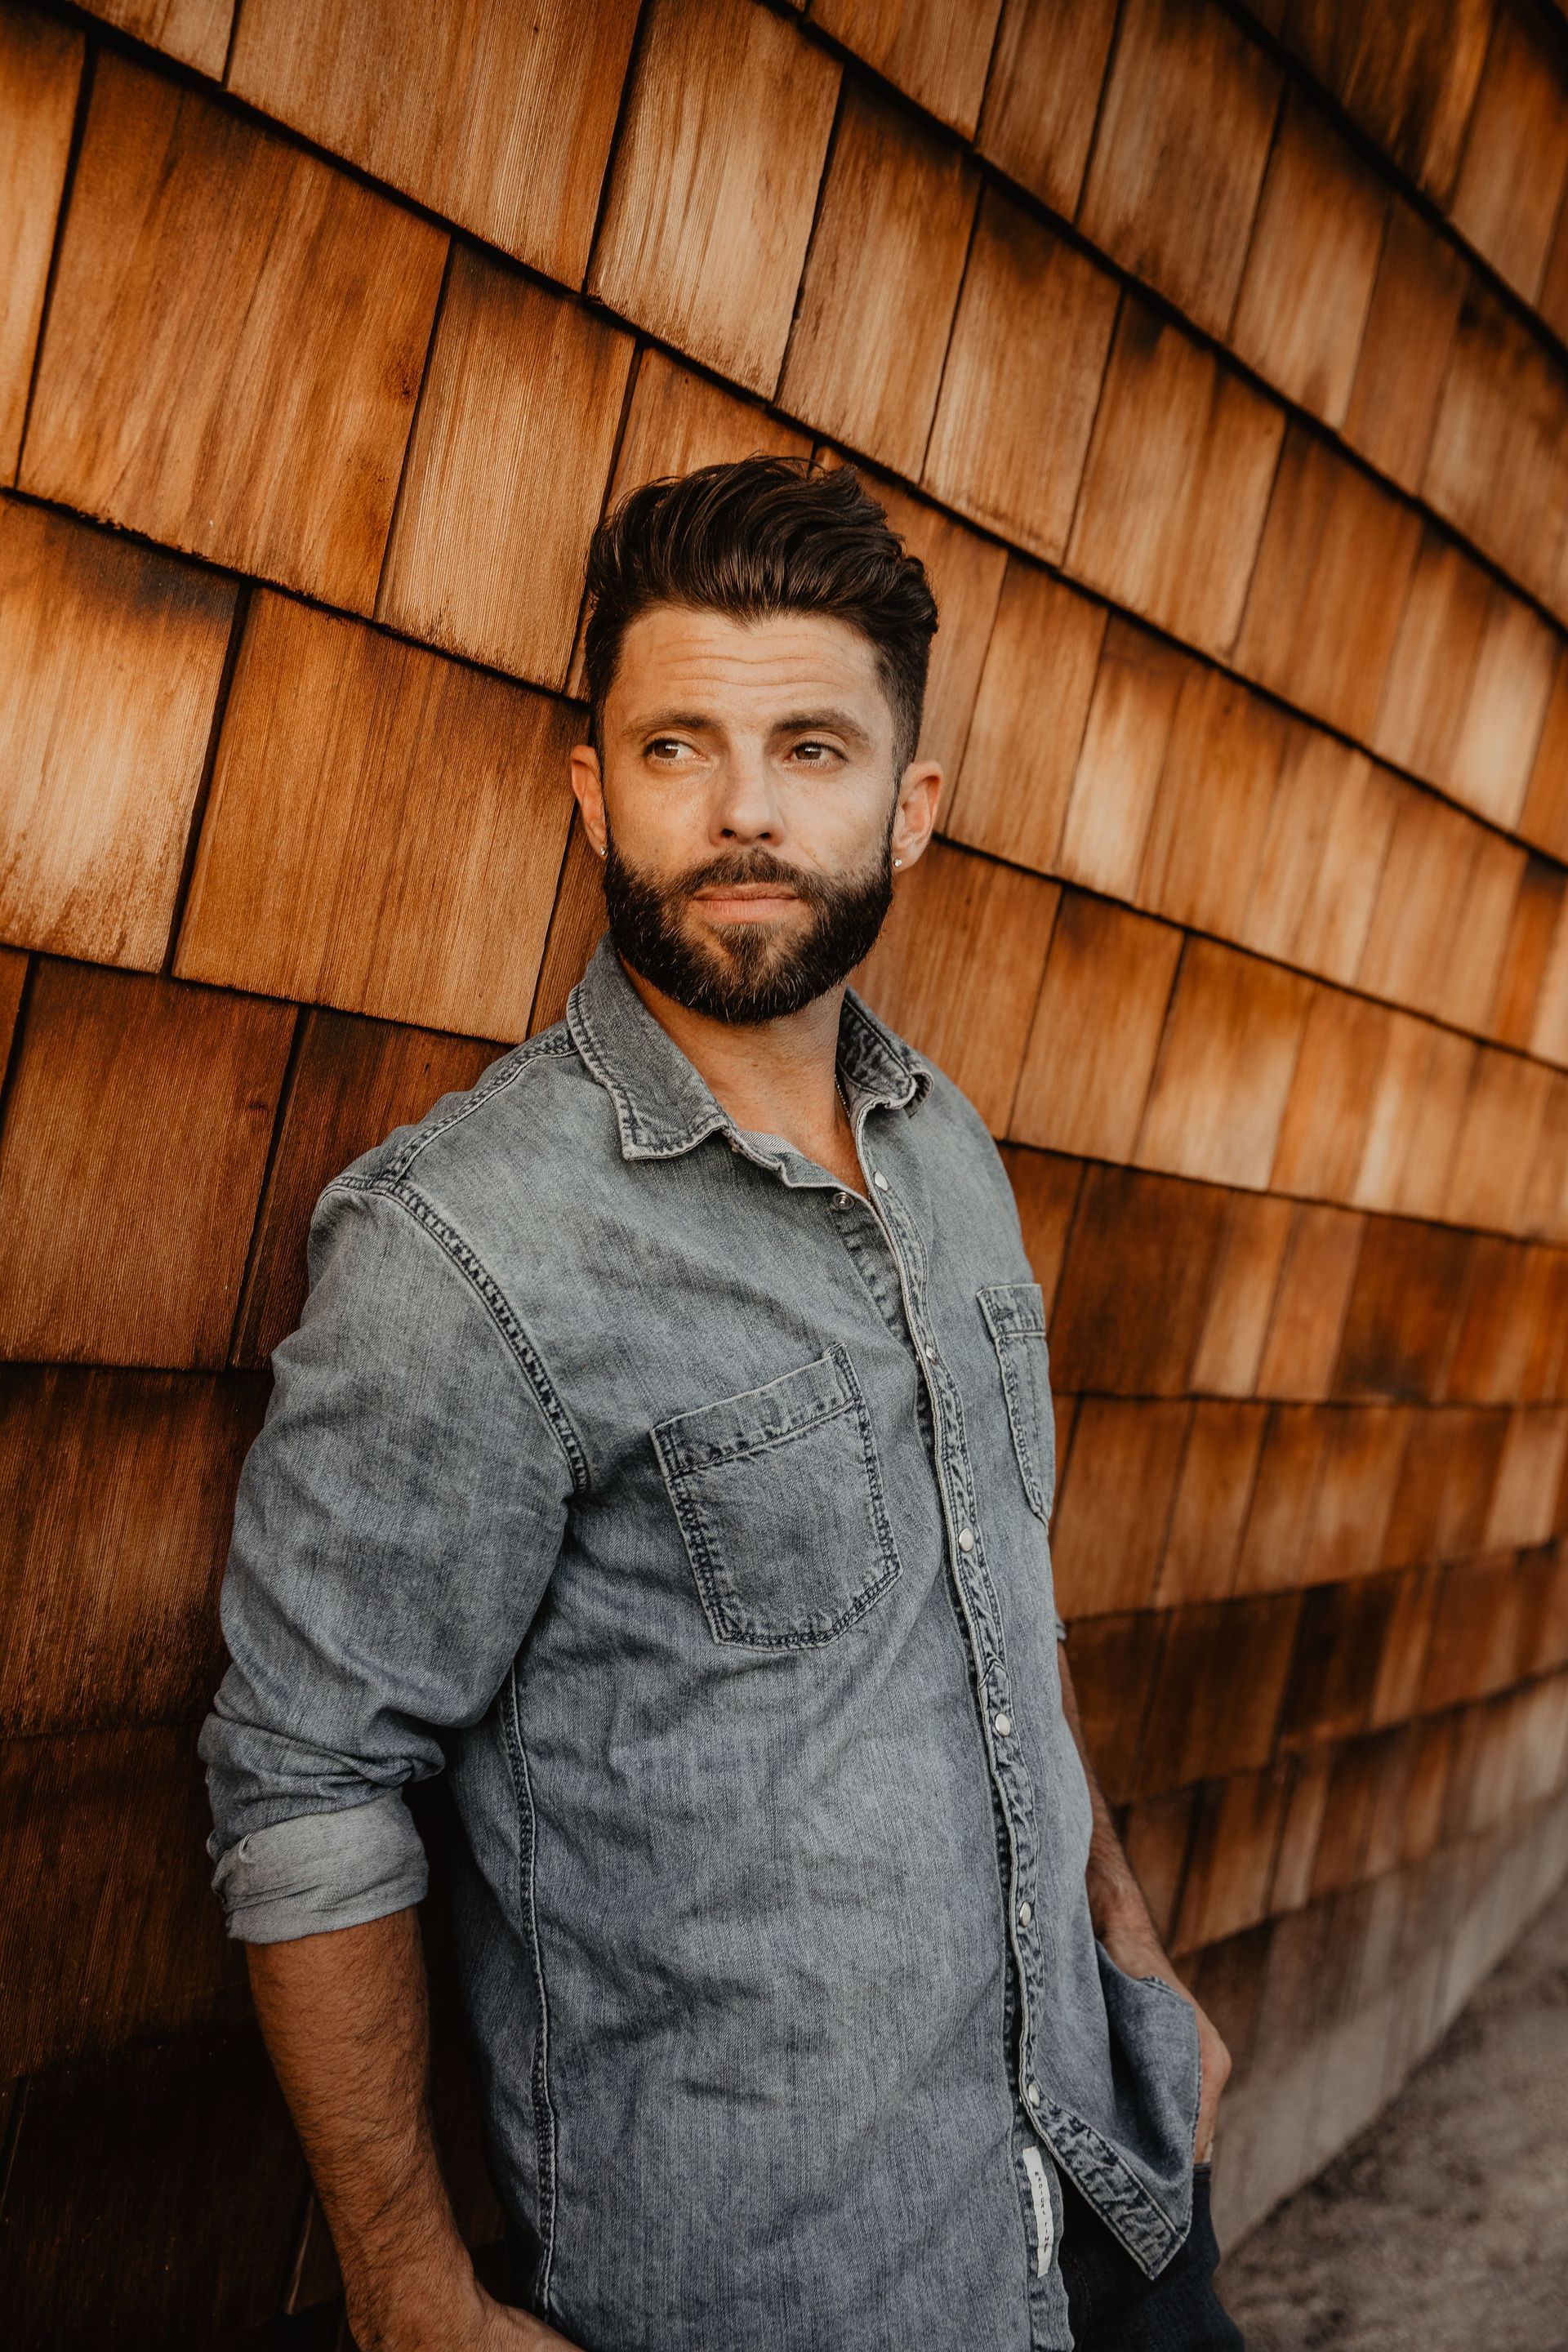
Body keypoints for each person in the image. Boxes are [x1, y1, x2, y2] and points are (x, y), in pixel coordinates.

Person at [201, 458, 1241, 2352]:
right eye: (678, 746)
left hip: (1114, 2203)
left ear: (912, 807)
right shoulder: (466, 1248)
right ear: (593, 786)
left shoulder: (951, 1159)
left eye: (813, 749)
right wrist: (412, 2296)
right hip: (783, 2291)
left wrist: (1140, 1973)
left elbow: (1007, 1611)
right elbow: (308, 1785)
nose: (746, 811)